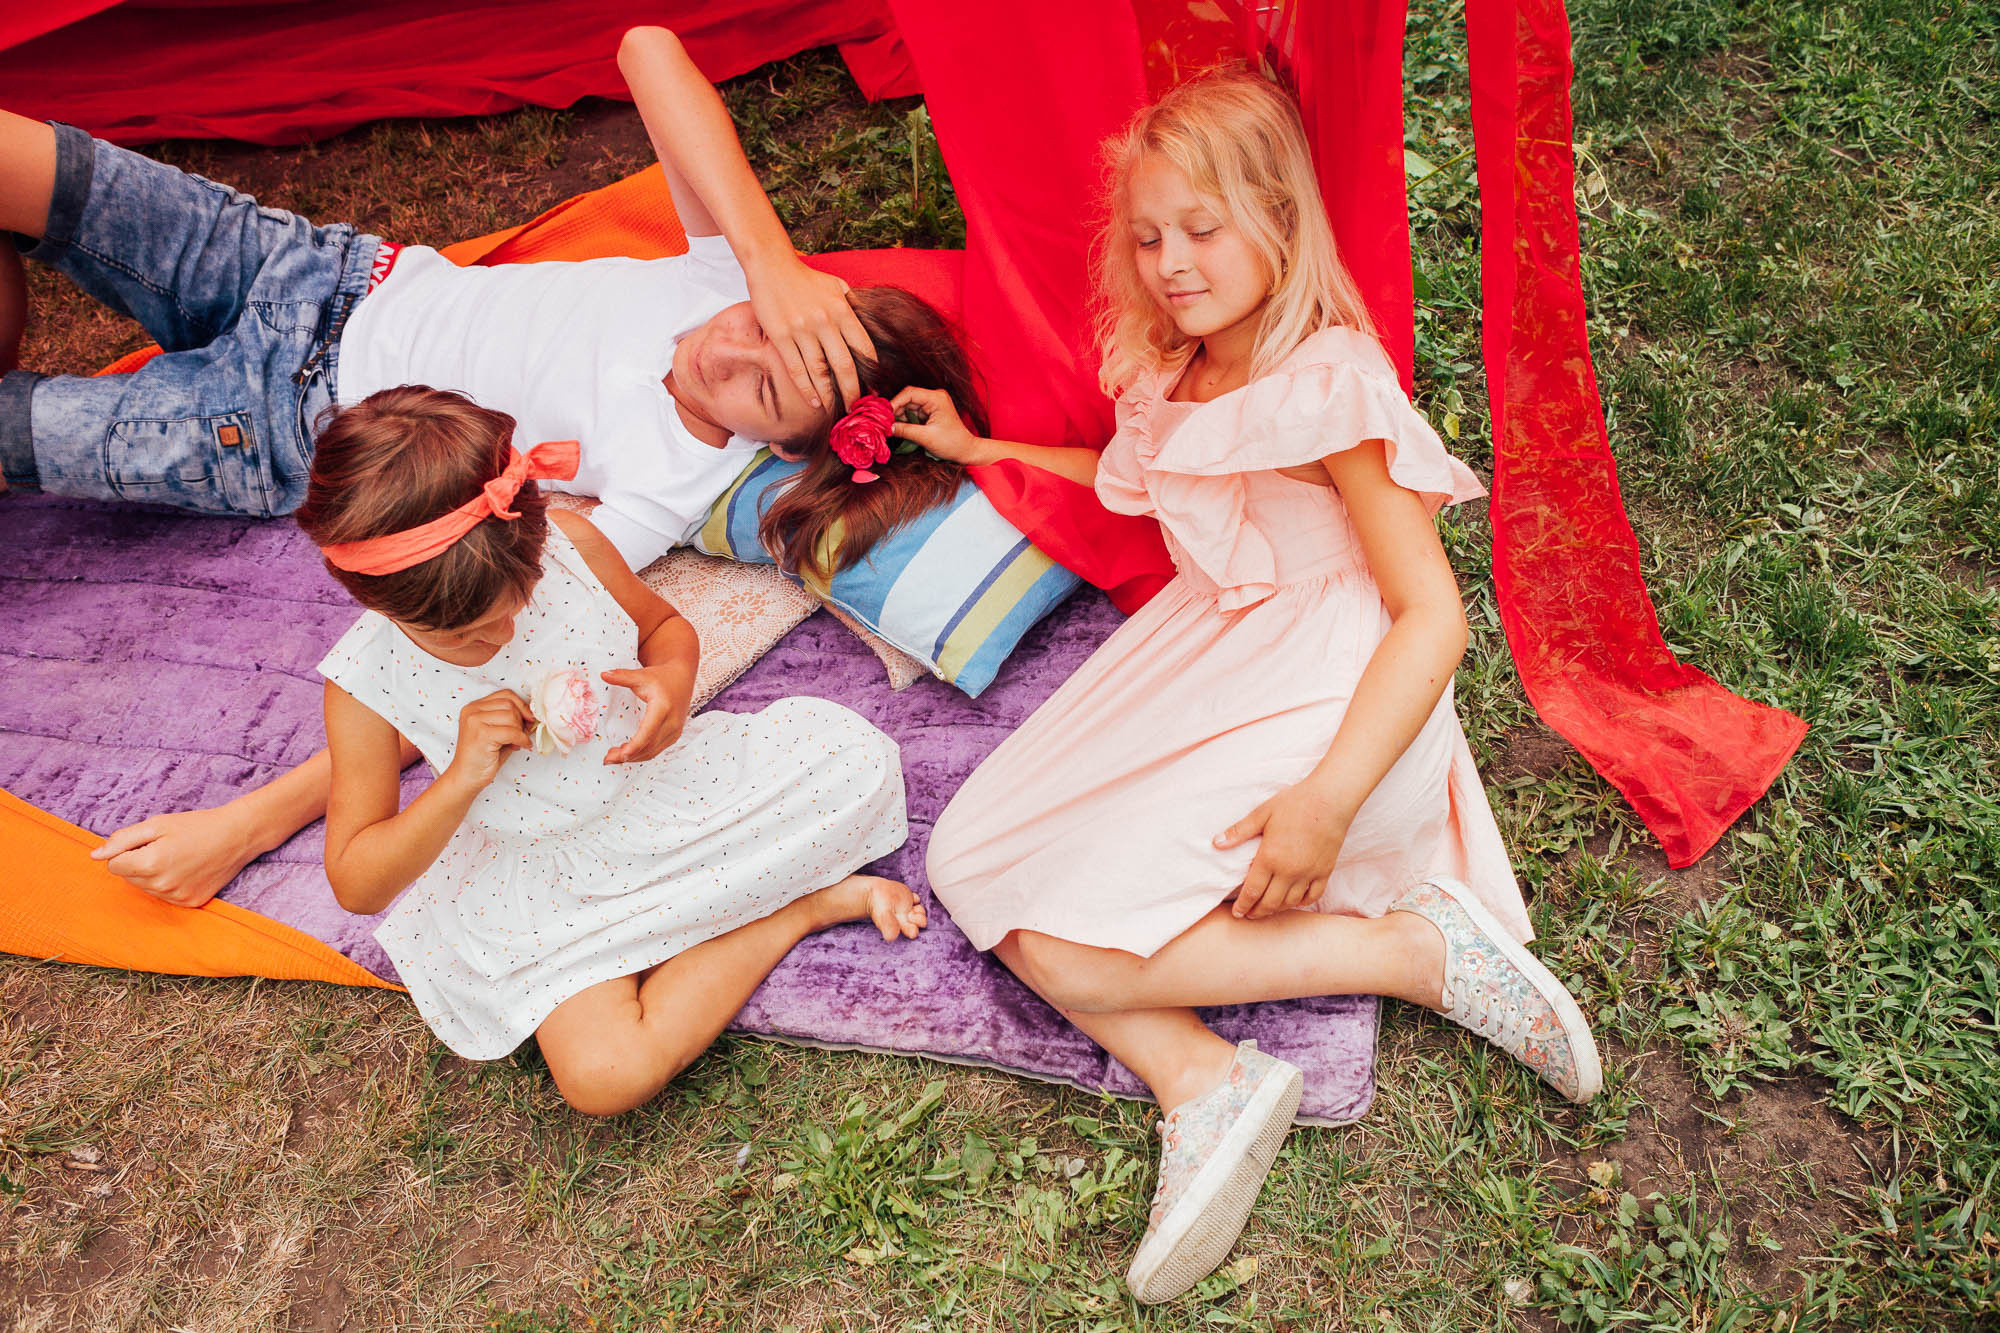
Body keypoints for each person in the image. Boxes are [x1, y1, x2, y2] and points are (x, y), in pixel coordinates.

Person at [898, 71, 1601, 1302]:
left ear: (1278, 219)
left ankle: (1409, 953)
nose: (1171, 260)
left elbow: (1430, 617)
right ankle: (1202, 1076)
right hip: (1209, 648)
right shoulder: (1169, 369)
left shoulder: (1326, 381)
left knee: (1066, 937)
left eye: (1204, 229)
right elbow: (1130, 467)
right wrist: (979, 450)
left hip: (1334, 688)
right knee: (966, 858)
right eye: (1149, 233)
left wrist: (1328, 797)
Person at [0, 25, 985, 904]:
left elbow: (455, 664)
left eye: (763, 389)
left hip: (265, 427)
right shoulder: (724, 272)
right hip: (321, 268)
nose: (725, 351)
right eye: (759, 328)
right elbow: (645, 45)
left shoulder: (665, 487)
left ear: (778, 447)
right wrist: (769, 264)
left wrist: (244, 826)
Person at [296, 384, 924, 1113]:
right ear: (374, 600)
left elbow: (666, 628)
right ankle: (801, 908)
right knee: (606, 1076)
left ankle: (691, 917)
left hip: (665, 792)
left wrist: (670, 687)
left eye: (517, 606)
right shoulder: (364, 683)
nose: (502, 638)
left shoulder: (572, 546)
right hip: (549, 879)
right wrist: (460, 780)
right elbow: (356, 882)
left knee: (860, 764)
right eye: (468, 636)